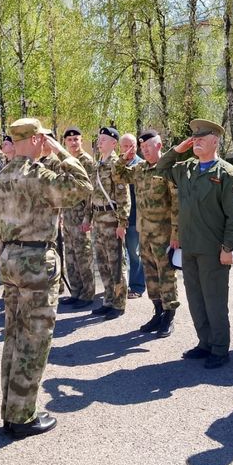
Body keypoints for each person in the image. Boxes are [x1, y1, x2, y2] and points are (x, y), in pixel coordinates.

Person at [0, 117, 93, 439]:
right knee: (34, 340)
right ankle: (22, 416)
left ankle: (11, 410)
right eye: (43, 138)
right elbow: (83, 186)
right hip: (36, 262)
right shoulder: (37, 175)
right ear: (35, 139)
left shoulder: (2, 177)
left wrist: (5, 257)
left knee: (13, 336)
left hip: (10, 261)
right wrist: (61, 151)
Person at [155, 119, 233, 369]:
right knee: (196, 299)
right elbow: (160, 168)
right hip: (189, 247)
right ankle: (205, 343)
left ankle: (220, 348)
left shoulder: (226, 173)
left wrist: (228, 248)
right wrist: (178, 150)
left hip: (212, 249)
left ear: (215, 141)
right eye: (194, 138)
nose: (196, 141)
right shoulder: (187, 169)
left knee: (214, 300)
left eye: (202, 138)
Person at [114, 129, 180, 337]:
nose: (145, 150)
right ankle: (158, 312)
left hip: (164, 234)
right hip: (144, 232)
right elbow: (117, 175)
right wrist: (124, 158)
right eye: (142, 147)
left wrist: (176, 234)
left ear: (159, 146)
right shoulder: (140, 168)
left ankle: (169, 316)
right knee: (150, 275)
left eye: (148, 147)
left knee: (166, 275)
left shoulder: (168, 169)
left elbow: (177, 204)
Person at [89, 126, 131, 320]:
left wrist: (122, 223)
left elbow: (123, 197)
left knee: (116, 263)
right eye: (99, 139)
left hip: (112, 220)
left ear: (114, 143)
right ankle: (108, 299)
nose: (99, 142)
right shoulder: (98, 164)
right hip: (98, 220)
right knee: (103, 263)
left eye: (103, 139)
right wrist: (89, 218)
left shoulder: (116, 165)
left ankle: (119, 302)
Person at [58, 126, 98, 309]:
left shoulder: (86, 161)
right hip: (67, 215)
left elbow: (91, 192)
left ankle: (87, 294)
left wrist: (88, 218)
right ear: (65, 142)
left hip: (81, 215)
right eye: (69, 140)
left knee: (83, 256)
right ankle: (76, 292)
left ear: (81, 141)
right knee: (71, 256)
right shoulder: (66, 161)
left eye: (76, 139)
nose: (73, 143)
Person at [119, 132, 146, 299]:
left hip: (135, 217)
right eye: (125, 146)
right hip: (118, 218)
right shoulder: (117, 165)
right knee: (119, 254)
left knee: (134, 253)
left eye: (132, 146)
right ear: (120, 147)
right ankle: (119, 285)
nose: (129, 149)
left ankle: (137, 286)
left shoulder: (141, 165)